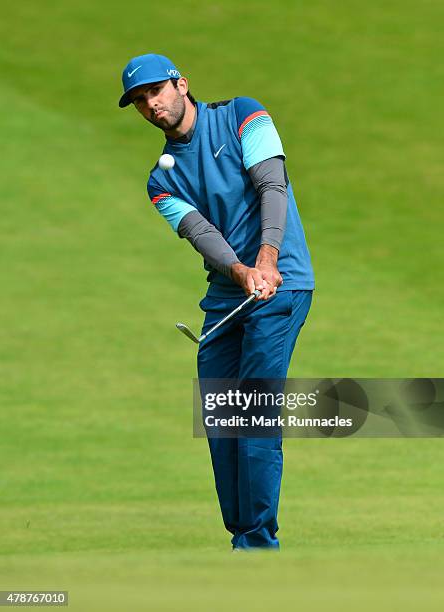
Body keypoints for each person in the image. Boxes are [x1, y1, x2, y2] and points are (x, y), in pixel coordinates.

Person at [119, 53, 315, 551]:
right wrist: (241, 270)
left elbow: (273, 185)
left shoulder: (243, 114)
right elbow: (202, 234)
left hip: (281, 284)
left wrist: (267, 258)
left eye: (156, 91)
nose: (151, 104)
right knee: (222, 422)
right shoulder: (160, 181)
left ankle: (257, 547)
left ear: (181, 84)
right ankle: (242, 538)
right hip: (228, 298)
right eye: (140, 101)